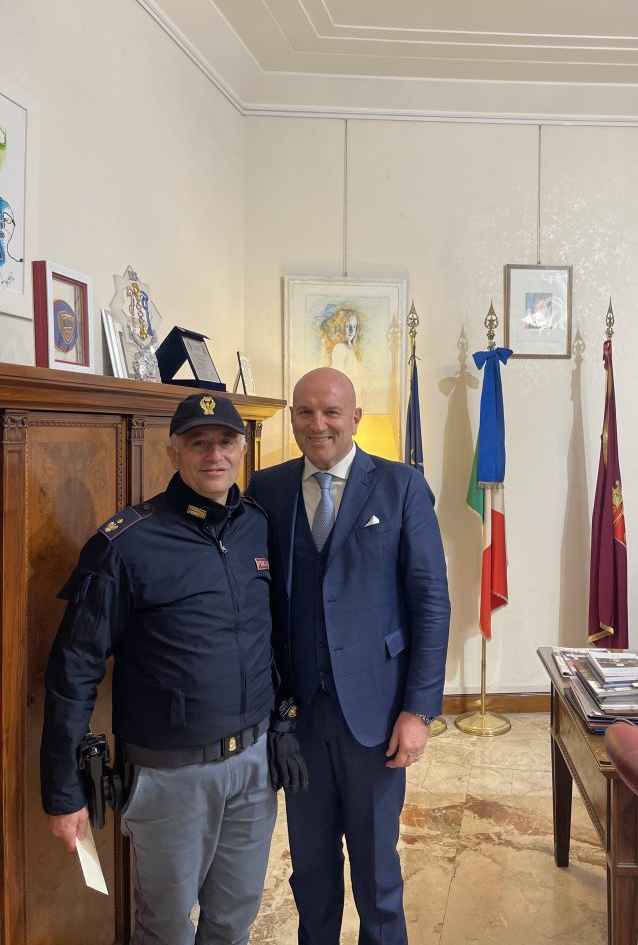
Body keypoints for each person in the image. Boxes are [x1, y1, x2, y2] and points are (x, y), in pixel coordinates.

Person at [41, 392, 305, 945]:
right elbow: (74, 669)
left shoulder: (257, 526)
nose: (215, 454)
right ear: (172, 452)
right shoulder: (126, 543)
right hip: (171, 778)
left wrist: (282, 722)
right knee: (165, 928)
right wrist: (62, 791)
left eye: (226, 441)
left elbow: (275, 637)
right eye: (197, 442)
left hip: (254, 769)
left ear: (242, 451)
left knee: (234, 920)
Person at [247, 367, 451, 945]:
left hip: (377, 715)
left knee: (377, 872)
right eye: (306, 412)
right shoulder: (268, 489)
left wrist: (419, 711)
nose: (319, 425)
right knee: (310, 872)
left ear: (355, 418)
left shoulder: (401, 485)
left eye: (332, 412)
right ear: (292, 418)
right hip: (298, 717)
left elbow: (431, 604)